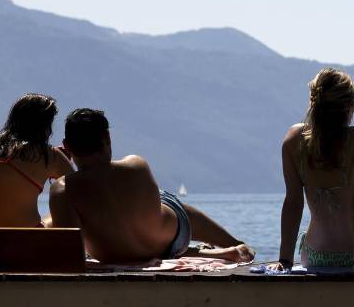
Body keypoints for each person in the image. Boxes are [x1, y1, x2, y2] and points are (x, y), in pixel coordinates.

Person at [48, 108, 253, 264]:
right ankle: (233, 243)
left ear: (66, 146)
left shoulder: (63, 190)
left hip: (116, 257)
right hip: (173, 240)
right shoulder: (136, 165)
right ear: (107, 138)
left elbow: (71, 252)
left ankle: (216, 251)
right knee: (167, 201)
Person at [272, 68, 354, 272]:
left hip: (315, 255)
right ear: (350, 107)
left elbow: (293, 203)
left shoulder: (294, 139)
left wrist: (285, 260)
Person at [0, 94, 73, 227]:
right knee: (58, 215)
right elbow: (80, 192)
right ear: (44, 125)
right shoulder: (49, 155)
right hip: (24, 239)